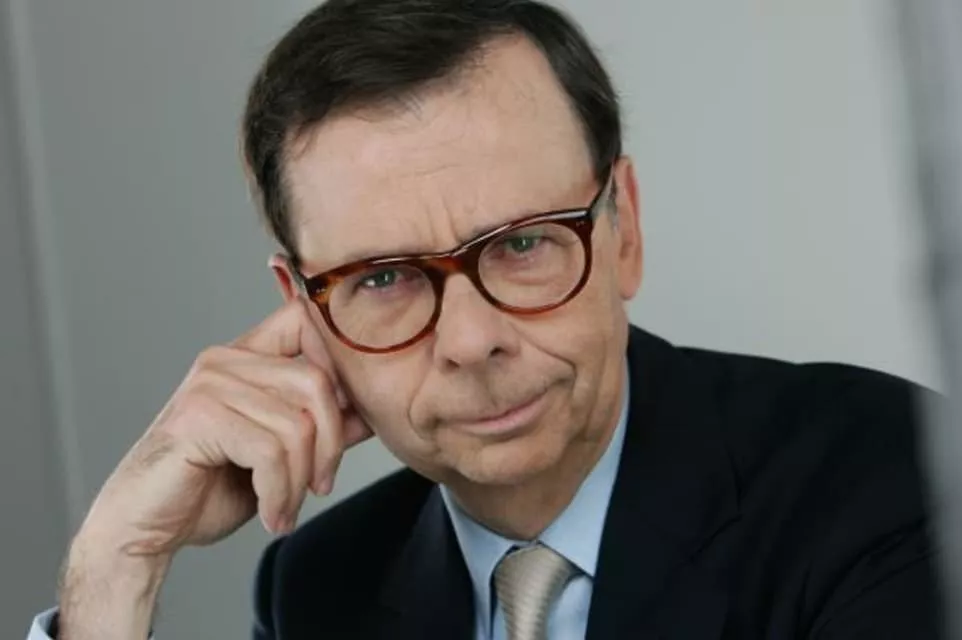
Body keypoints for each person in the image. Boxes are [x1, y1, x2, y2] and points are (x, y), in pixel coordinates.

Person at [27, 0, 944, 638]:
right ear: (307, 315)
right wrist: (114, 568)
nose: (470, 341)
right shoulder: (319, 587)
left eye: (522, 244)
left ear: (623, 229)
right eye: (385, 277)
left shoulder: (891, 477)